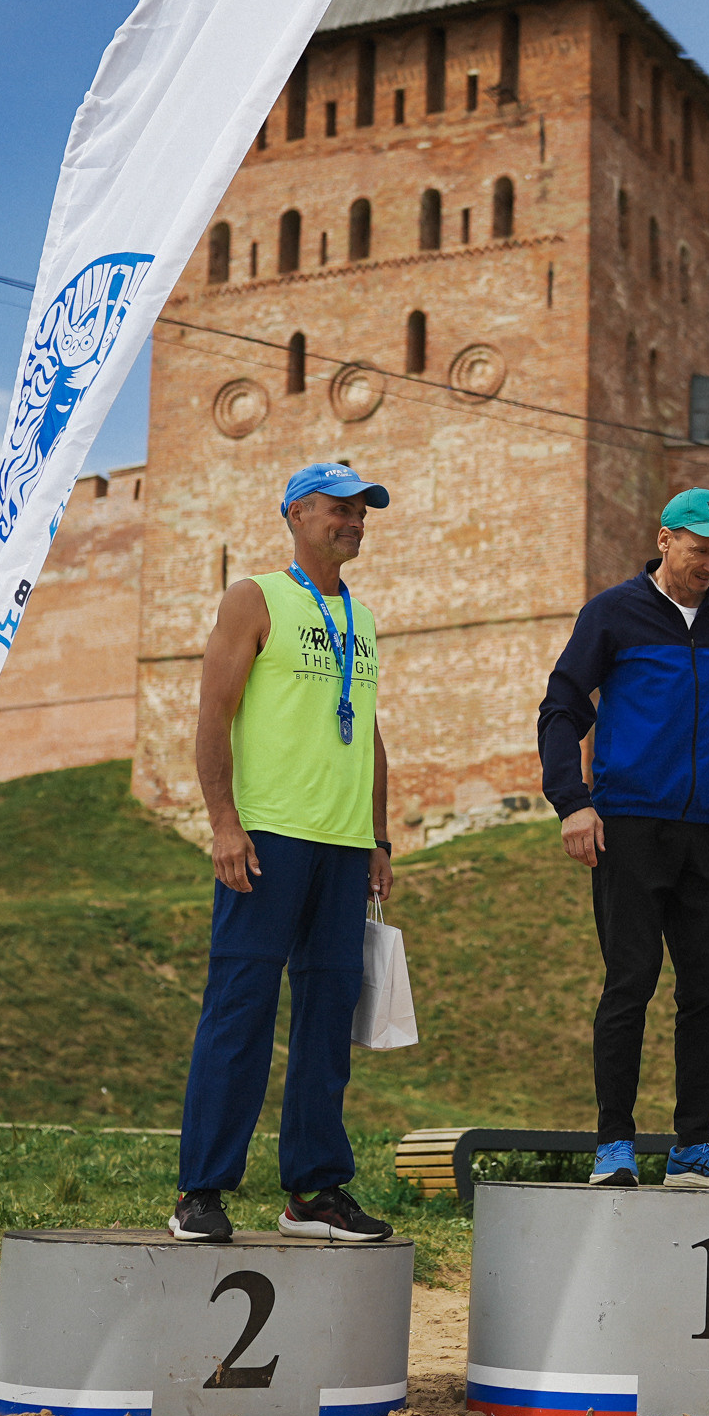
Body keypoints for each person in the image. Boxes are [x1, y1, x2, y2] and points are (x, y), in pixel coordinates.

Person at [169, 463, 397, 1247]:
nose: (355, 522)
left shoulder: (361, 618)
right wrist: (224, 824)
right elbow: (213, 712)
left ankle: (314, 1192)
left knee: (328, 1023)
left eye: (363, 512)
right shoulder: (254, 597)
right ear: (299, 513)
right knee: (241, 1010)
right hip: (266, 839)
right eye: (341, 509)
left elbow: (366, 732)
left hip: (342, 848)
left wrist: (378, 836)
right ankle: (199, 1190)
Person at [536, 488, 709, 1190]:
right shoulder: (614, 614)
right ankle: (613, 1143)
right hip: (629, 825)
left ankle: (693, 1147)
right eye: (700, 550)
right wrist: (572, 804)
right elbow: (560, 708)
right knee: (630, 983)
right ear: (665, 539)